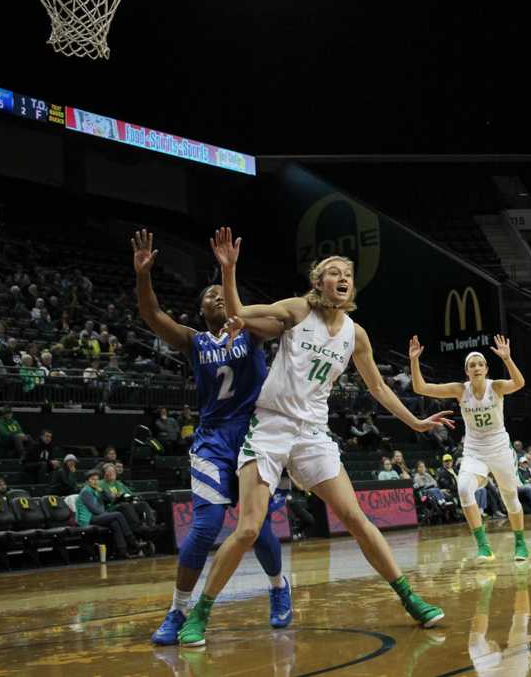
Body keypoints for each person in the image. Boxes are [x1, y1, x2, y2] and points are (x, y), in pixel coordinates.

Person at [177, 230, 453, 647]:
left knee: (357, 517)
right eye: (333, 271)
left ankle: (410, 599)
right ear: (318, 282)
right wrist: (229, 270)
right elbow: (238, 313)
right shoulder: (297, 310)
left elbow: (377, 387)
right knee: (249, 529)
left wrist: (413, 421)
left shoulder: (355, 335)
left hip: (312, 434)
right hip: (269, 427)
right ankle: (200, 613)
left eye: (348, 273)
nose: (342, 276)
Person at [132, 229, 291, 647]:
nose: (217, 297)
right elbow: (152, 316)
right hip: (213, 441)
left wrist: (229, 272)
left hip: (255, 438)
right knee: (204, 527)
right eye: (209, 295)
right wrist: (144, 276)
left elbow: (279, 323)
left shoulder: (251, 331)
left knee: (255, 530)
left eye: (222, 293)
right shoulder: (194, 341)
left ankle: (278, 587)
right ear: (200, 309)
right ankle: (178, 610)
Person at [410, 333, 530, 563]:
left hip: (499, 449)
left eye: (481, 364)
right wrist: (414, 360)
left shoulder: (495, 387)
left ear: (486, 369)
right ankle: (484, 546)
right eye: (472, 365)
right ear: (467, 371)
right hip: (474, 450)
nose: (476, 368)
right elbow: (420, 387)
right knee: (464, 489)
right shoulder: (459, 390)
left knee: (510, 497)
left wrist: (507, 359)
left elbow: (519, 383)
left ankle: (520, 542)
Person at [75, 469, 142, 559]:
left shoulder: (95, 490)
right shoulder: (86, 491)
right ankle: (132, 541)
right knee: (118, 515)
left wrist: (102, 491)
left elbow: (110, 499)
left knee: (115, 524)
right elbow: (96, 510)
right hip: (87, 519)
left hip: (95, 516)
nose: (95, 481)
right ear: (87, 481)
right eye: (92, 479)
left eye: (97, 479)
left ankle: (122, 551)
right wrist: (103, 508)